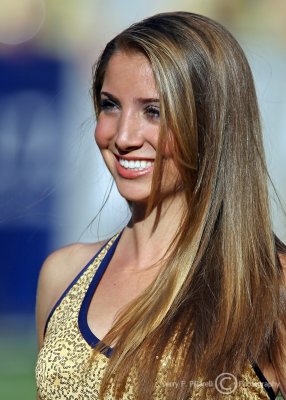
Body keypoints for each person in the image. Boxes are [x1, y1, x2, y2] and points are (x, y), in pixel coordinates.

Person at [35, 11, 286, 399]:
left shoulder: (271, 286)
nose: (123, 136)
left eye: (154, 111)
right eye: (110, 105)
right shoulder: (62, 276)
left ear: (211, 122)